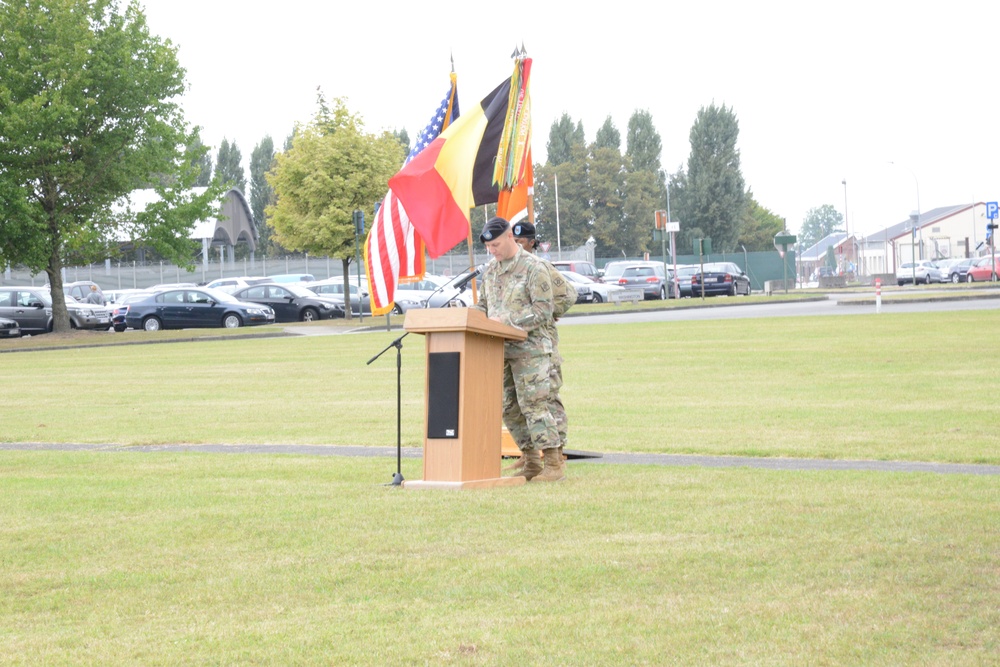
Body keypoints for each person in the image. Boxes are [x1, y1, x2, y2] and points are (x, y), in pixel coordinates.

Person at [473, 216, 564, 482]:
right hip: (500, 350)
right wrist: (472, 317)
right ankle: (532, 461)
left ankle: (554, 464)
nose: (493, 251)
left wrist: (508, 322)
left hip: (531, 350)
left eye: (497, 245)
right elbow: (484, 306)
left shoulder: (534, 267)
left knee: (534, 406)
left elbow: (543, 310)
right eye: (489, 247)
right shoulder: (491, 271)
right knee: (509, 408)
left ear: (511, 236)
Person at [510, 221, 576, 469]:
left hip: (542, 342)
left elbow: (569, 295)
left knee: (547, 397)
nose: (517, 246)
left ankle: (557, 452)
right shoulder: (513, 269)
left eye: (521, 242)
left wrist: (551, 311)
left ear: (532, 242)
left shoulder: (542, 267)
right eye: (513, 242)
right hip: (518, 343)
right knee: (523, 401)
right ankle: (530, 454)